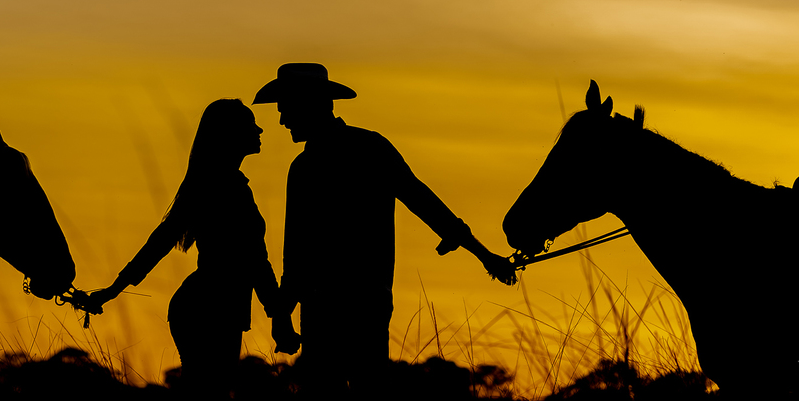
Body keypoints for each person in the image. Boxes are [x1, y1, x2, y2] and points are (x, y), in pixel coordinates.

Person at [253, 63, 507, 396]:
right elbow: (423, 201)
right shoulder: (366, 149)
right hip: (363, 301)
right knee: (368, 391)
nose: (283, 121)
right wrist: (484, 255)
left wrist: (283, 314)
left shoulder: (307, 167)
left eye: (286, 110)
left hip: (327, 306)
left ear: (310, 105)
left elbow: (296, 254)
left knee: (328, 396)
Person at [81, 98, 299, 398]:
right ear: (230, 134)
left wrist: (113, 290)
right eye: (251, 124)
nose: (259, 129)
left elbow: (162, 241)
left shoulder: (218, 184)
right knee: (210, 395)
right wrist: (279, 316)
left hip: (206, 306)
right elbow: (254, 261)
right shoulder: (222, 187)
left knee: (205, 395)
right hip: (212, 308)